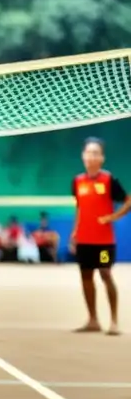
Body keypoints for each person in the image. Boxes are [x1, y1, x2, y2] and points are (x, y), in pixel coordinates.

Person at [70, 137, 129, 335]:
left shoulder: (109, 180)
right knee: (86, 276)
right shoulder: (78, 181)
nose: (91, 156)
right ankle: (93, 320)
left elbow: (128, 201)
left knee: (105, 273)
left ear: (102, 158)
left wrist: (112, 217)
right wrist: (75, 232)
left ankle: (113, 321)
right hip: (85, 241)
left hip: (103, 243)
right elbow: (79, 208)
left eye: (96, 153)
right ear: (82, 156)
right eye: (88, 152)